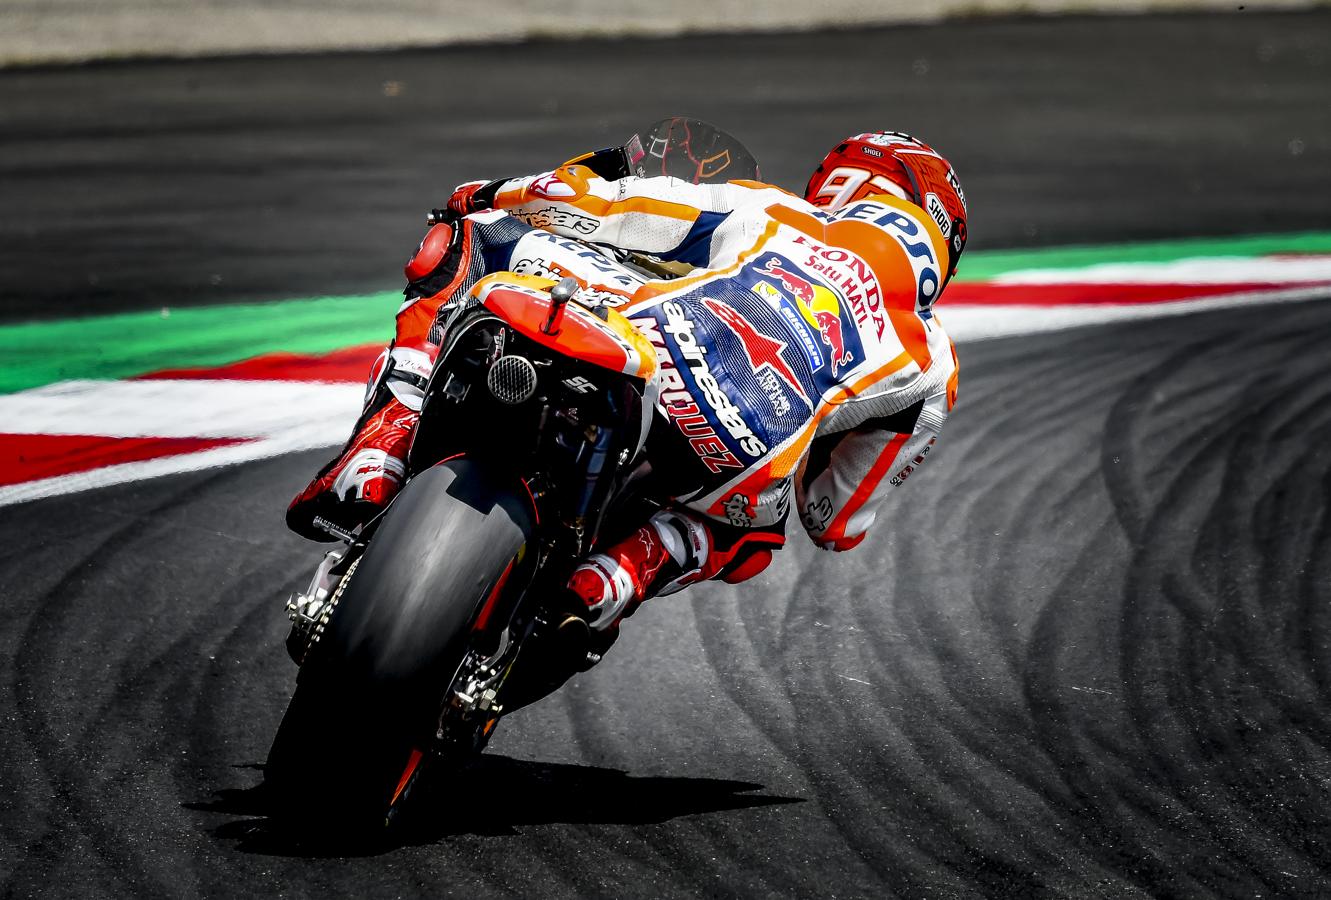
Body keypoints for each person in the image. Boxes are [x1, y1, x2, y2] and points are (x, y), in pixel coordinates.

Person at [288, 130, 967, 638]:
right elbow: (833, 521)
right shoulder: (931, 358)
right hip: (738, 457)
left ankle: (385, 440)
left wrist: (489, 194)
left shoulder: (777, 212)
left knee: (464, 237)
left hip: (652, 356)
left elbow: (597, 202)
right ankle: (620, 572)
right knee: (753, 532)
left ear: (843, 184)